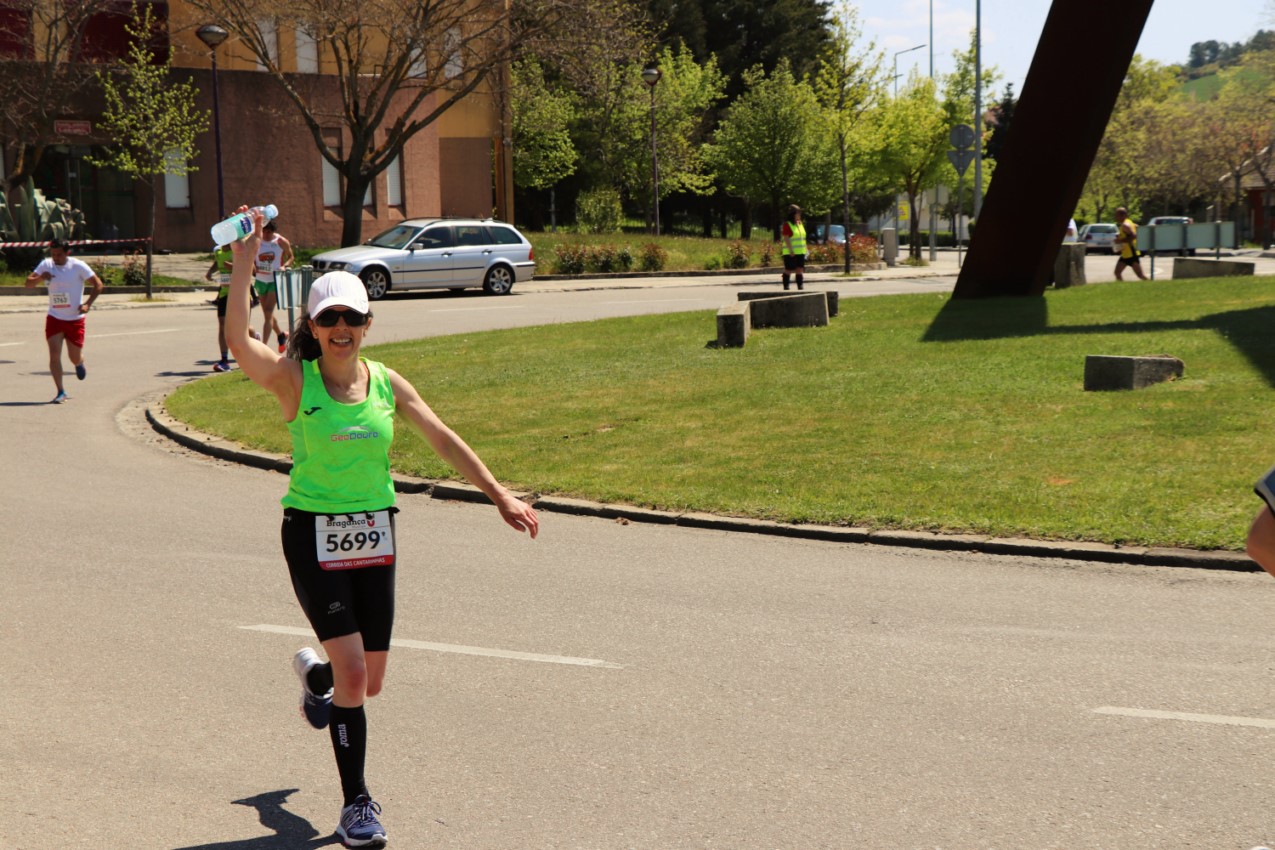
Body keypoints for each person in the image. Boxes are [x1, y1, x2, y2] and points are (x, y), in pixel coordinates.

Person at [223, 207, 539, 848]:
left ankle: (317, 682)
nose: (341, 328)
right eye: (329, 317)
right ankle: (356, 806)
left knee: (368, 679)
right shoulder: (295, 380)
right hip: (312, 533)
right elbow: (238, 342)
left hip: (375, 533)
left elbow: (443, 438)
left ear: (368, 324)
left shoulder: (388, 383)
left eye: (352, 317)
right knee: (357, 678)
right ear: (313, 323)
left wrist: (498, 493)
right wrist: (239, 261)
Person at [25, 238, 104, 403]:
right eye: (53, 254)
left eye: (59, 254)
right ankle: (60, 391)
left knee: (73, 357)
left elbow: (98, 284)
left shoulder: (78, 266)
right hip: (54, 317)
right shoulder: (46, 264)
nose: (55, 257)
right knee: (54, 355)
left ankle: (79, 362)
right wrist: (40, 278)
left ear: (67, 252)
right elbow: (28, 284)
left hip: (75, 318)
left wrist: (87, 304)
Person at [254, 221, 295, 353]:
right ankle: (281, 335)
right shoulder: (257, 240)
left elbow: (291, 257)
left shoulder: (280, 241)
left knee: (268, 313)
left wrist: (285, 266)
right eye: (264, 231)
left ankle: (263, 347)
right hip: (260, 280)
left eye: (269, 232)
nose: (266, 234)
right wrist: (253, 268)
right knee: (267, 314)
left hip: (275, 280)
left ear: (273, 231)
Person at [205, 245, 236, 371]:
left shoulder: (238, 250)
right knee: (222, 324)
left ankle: (254, 337)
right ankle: (224, 360)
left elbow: (251, 269)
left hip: (238, 294)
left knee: (238, 328)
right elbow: (217, 262)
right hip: (224, 293)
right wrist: (210, 271)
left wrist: (233, 267)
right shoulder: (218, 251)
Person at [1113, 207, 1147, 281]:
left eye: (1117, 215)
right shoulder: (1129, 222)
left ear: (1122, 215)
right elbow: (1137, 227)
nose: (1116, 217)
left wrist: (1120, 241)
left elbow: (1134, 235)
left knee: (1140, 275)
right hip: (1126, 254)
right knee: (1117, 273)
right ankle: (1121, 289)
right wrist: (1120, 237)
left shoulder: (1125, 225)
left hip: (1131, 254)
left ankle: (1151, 285)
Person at [780, 204, 807, 291]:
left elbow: (802, 238)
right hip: (790, 252)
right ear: (792, 214)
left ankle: (800, 285)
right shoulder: (787, 225)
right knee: (788, 269)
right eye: (798, 213)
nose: (799, 215)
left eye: (799, 213)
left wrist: (806, 249)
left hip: (801, 251)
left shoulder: (799, 224)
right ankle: (786, 286)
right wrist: (791, 250)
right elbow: (786, 238)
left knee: (799, 269)